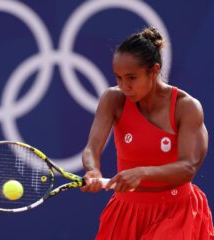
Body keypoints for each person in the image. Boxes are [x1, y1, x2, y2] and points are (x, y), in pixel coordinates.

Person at [80, 26, 214, 239]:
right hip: (126, 212)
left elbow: (189, 167)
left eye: (132, 78)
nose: (124, 86)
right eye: (118, 78)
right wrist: (93, 170)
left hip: (176, 213)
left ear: (154, 70)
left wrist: (142, 173)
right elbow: (91, 149)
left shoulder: (186, 107)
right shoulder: (113, 99)